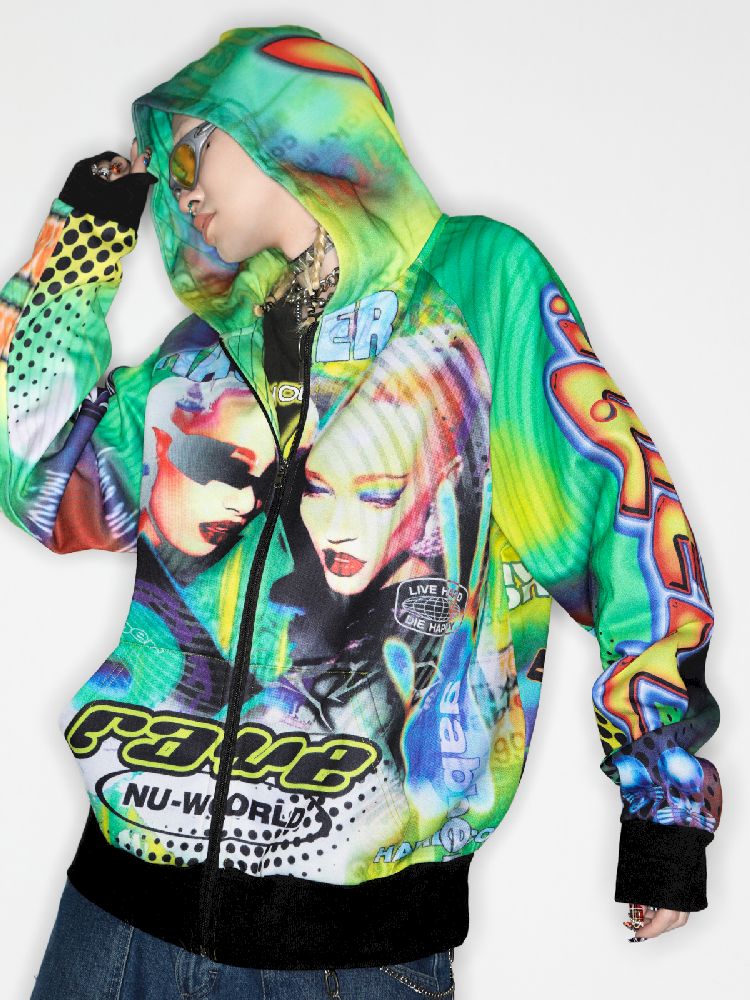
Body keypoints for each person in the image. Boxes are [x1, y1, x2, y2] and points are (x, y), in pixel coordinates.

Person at [0, 22, 722, 999]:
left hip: (345, 955)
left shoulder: (475, 288)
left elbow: (624, 524)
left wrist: (664, 806)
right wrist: (84, 231)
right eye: (167, 163)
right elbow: (41, 475)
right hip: (114, 923)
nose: (180, 181)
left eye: (195, 144)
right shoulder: (199, 356)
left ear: (286, 121)